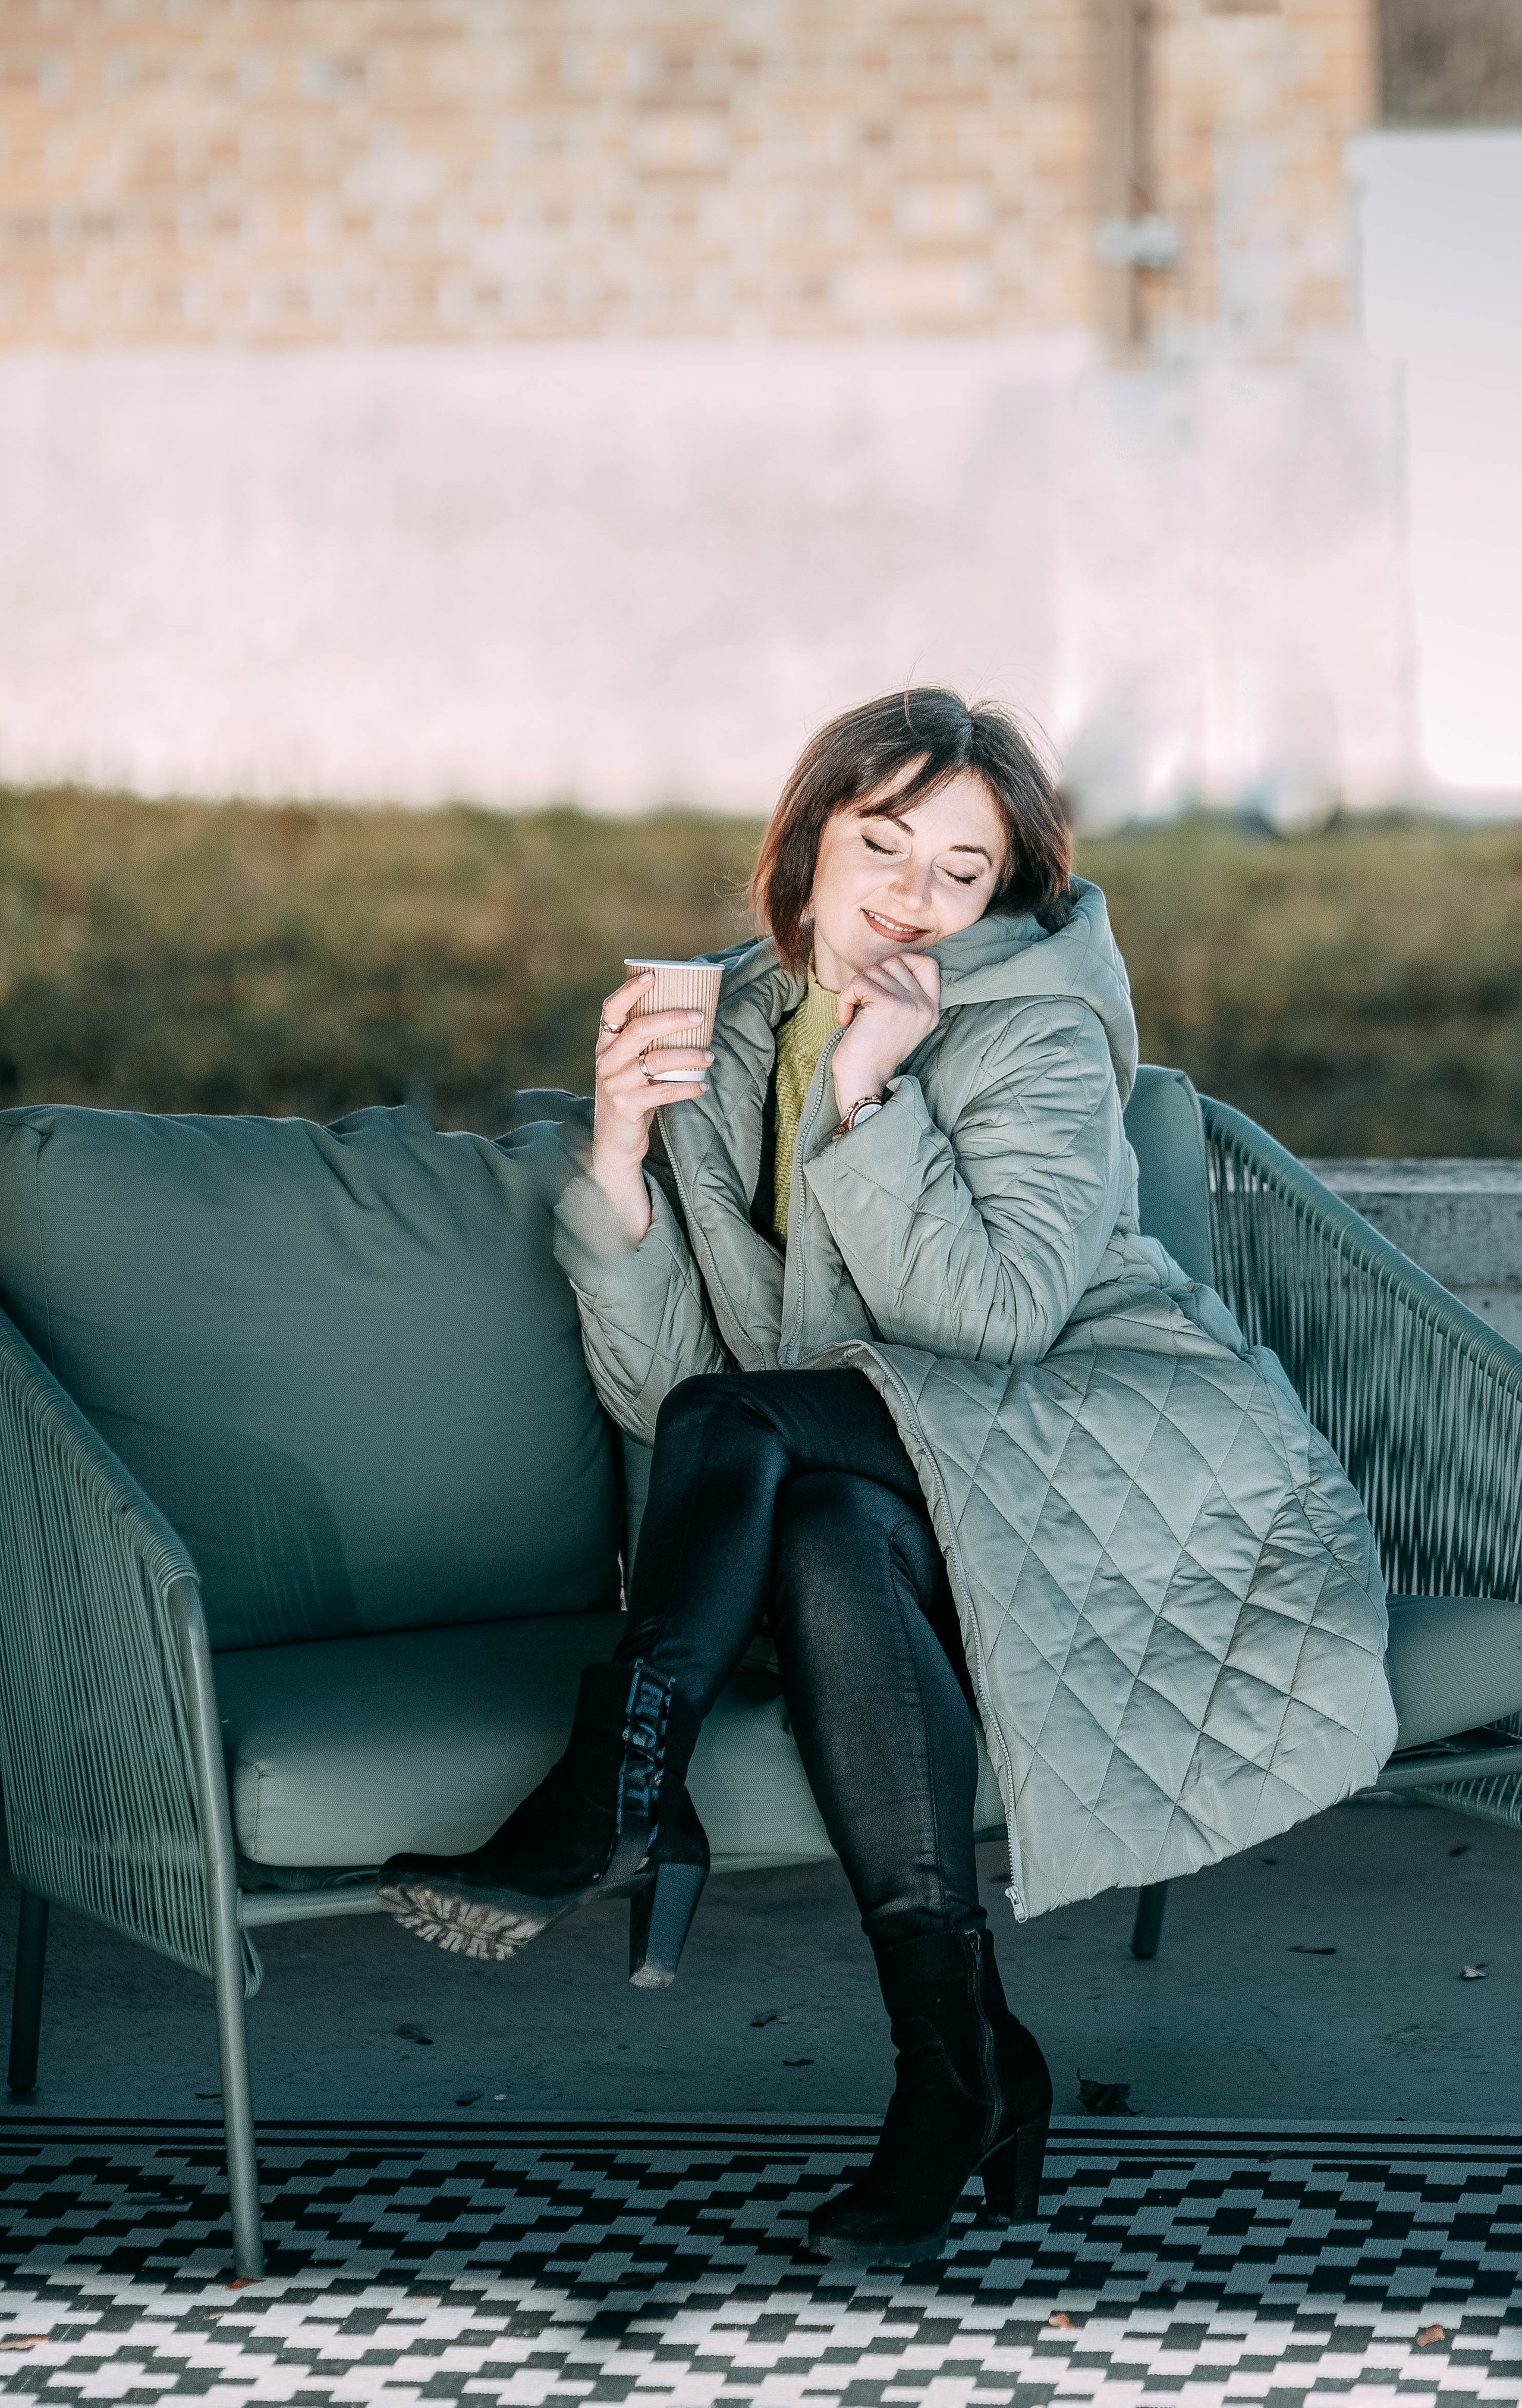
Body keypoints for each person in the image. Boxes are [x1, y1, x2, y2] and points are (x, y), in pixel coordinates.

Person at [379, 689, 1398, 2266]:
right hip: (885, 1474)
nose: (917, 897)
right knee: (824, 1520)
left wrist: (872, 1091)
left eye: (964, 870)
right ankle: (959, 2068)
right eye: (885, 846)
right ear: (807, 846)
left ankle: (611, 1789)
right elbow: (678, 1395)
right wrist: (621, 1157)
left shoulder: (1036, 1031)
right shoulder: (727, 1029)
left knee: (784, 1451)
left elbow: (991, 1325)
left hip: (1095, 1450)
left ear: (1008, 894)